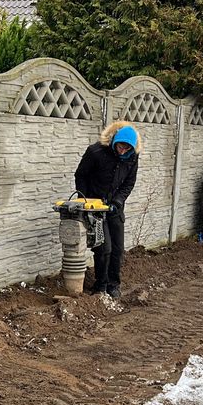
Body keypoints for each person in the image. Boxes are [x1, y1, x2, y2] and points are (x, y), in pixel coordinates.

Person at [74, 121, 139, 298]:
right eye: (121, 146)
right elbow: (81, 175)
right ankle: (100, 286)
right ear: (115, 140)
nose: (123, 151)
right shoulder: (96, 152)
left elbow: (129, 183)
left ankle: (113, 285)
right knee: (104, 248)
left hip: (115, 208)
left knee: (117, 249)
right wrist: (85, 202)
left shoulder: (132, 157)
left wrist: (117, 202)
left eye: (127, 148)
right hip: (95, 208)